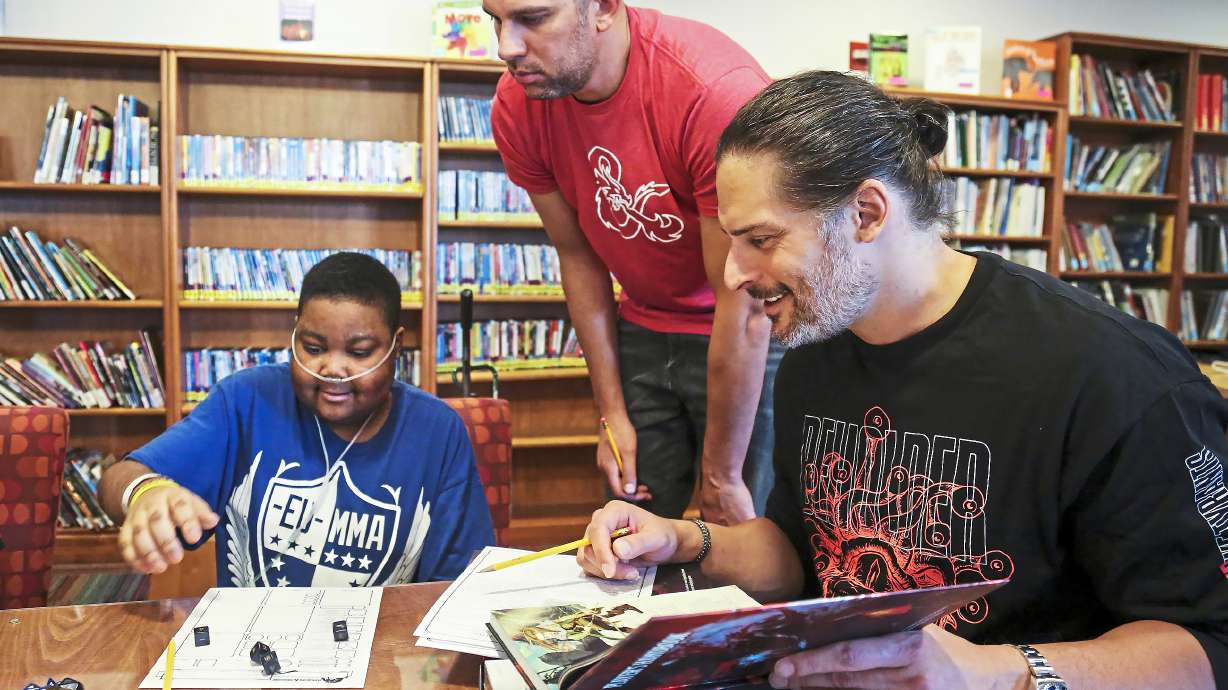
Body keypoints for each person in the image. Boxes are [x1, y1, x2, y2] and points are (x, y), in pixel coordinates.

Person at [577, 71, 1228, 689]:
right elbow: (805, 553)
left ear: (866, 213)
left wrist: (995, 672)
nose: (734, 275)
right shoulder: (816, 347)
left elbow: (1209, 648)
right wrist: (685, 539)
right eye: (730, 240)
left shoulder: (1112, 376)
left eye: (762, 240)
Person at [487, 0, 782, 525]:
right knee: (630, 525)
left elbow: (745, 300)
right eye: (495, 19)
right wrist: (611, 414)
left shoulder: (713, 91)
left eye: (532, 19)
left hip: (748, 324)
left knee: (749, 523)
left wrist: (720, 476)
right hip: (644, 323)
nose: (506, 47)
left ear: (602, 8)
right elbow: (577, 257)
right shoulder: (519, 104)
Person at [100, 252, 494, 586]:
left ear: (396, 347)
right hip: (255, 649)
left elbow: (459, 581)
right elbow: (118, 478)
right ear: (294, 336)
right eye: (313, 347)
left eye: (359, 352)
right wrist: (145, 494)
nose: (333, 369)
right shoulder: (246, 400)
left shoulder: (437, 431)